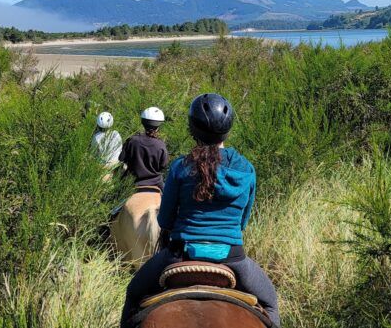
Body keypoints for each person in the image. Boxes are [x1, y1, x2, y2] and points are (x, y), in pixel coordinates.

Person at [120, 94, 280, 328]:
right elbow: (243, 222)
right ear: (228, 129)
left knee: (133, 293)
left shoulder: (180, 167)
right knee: (271, 303)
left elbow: (164, 220)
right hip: (232, 257)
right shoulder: (247, 169)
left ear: (192, 128)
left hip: (179, 255)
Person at [118, 107, 169, 191]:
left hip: (131, 181)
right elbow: (163, 165)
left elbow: (122, 158)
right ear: (158, 125)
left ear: (143, 123)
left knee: (112, 199)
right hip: (156, 182)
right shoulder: (161, 145)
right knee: (169, 200)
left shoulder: (132, 140)